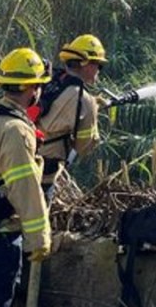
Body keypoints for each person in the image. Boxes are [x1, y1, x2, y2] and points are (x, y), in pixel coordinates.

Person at [0, 47, 51, 307]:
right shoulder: (15, 129)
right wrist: (39, 238)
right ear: (30, 88)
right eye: (38, 84)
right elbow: (23, 186)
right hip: (2, 231)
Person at [37, 34, 106, 197]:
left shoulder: (49, 78)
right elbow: (84, 146)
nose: (99, 71)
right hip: (43, 174)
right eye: (99, 65)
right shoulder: (84, 100)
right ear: (87, 64)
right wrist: (92, 112)